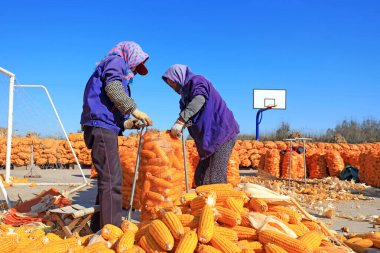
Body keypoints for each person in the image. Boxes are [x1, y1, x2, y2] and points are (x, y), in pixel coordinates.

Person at [80, 41, 153, 231]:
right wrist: (134, 110)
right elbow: (113, 89)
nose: (136, 71)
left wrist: (127, 123)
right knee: (113, 179)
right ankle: (111, 230)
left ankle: (99, 227)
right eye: (137, 65)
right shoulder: (116, 61)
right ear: (131, 57)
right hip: (100, 126)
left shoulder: (117, 65)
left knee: (108, 178)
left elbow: (109, 108)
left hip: (104, 126)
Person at [162, 64, 239, 186]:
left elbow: (199, 100)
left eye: (172, 82)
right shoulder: (184, 97)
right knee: (200, 177)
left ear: (178, 77)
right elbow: (190, 116)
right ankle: (202, 203)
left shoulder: (197, 81)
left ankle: (220, 204)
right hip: (210, 139)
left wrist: (180, 121)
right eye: (170, 84)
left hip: (222, 134)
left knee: (215, 177)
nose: (172, 86)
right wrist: (180, 127)